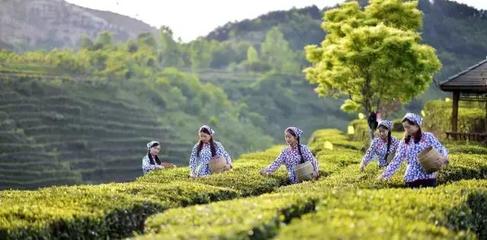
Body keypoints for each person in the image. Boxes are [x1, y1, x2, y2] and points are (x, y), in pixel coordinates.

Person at [378, 113, 448, 188]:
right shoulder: (404, 142)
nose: (406, 130)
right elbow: (396, 160)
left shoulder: (428, 137)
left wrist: (444, 158)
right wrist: (384, 175)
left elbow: (441, 149)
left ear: (416, 125)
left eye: (408, 127)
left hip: (429, 178)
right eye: (405, 127)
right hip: (411, 179)